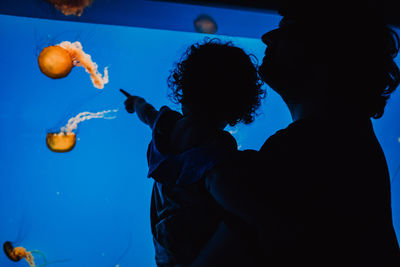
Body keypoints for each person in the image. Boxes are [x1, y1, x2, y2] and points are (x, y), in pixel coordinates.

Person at [194, 1, 400, 266]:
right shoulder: (349, 141)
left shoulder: (306, 149)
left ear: (327, 49)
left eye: (288, 29)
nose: (268, 37)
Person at [121, 38, 265, 267]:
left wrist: (135, 101)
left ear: (185, 88)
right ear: (238, 104)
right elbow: (224, 190)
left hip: (167, 256)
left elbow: (146, 113)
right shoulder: (215, 147)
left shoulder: (164, 126)